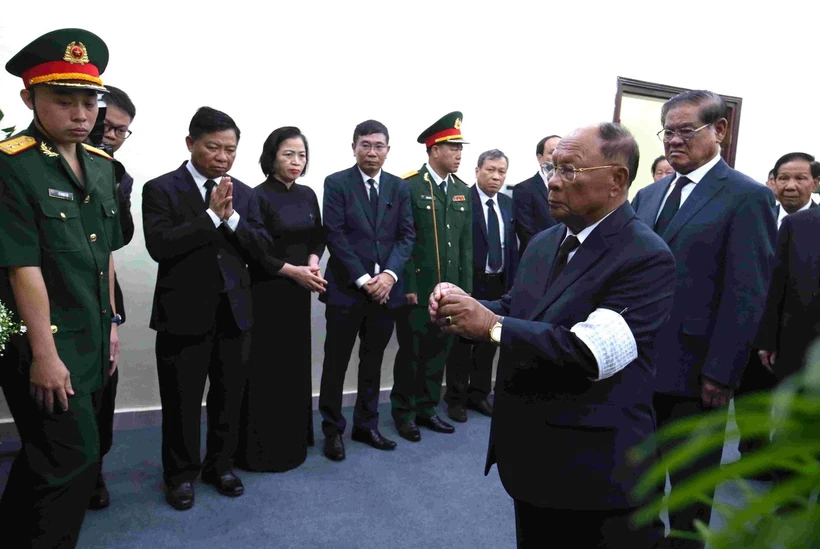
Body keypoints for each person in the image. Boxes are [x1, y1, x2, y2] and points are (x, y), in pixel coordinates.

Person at [430, 123, 676, 548]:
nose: (554, 183)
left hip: (595, 474)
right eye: (550, 168)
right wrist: (463, 309)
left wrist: (490, 326)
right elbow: (517, 307)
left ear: (617, 179)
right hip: (531, 460)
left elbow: (589, 353)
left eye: (569, 170)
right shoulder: (546, 241)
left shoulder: (646, 256)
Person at [631, 90, 776, 548]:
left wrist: (723, 371)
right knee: (639, 482)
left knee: (690, 489)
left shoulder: (746, 196)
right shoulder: (649, 195)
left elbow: (746, 292)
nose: (674, 141)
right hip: (637, 366)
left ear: (719, 130)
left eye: (685, 130)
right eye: (667, 132)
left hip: (698, 373)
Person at [0, 28, 124, 548]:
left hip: (92, 336)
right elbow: (20, 266)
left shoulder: (100, 165)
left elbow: (106, 254)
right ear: (29, 98)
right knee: (68, 460)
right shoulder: (12, 164)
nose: (81, 113)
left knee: (54, 458)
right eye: (63, 99)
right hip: (45, 344)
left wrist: (113, 322)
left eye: (89, 100)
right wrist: (45, 355)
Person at [143, 107, 271, 511]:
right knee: (181, 401)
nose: (222, 156)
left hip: (234, 313)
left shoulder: (245, 194)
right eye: (213, 147)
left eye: (230, 149)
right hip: (182, 314)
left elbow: (263, 249)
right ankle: (180, 476)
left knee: (229, 397)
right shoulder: (160, 188)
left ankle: (221, 466)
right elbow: (160, 246)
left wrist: (231, 218)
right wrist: (210, 216)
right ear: (190, 143)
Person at [317, 120, 414, 461]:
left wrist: (388, 276)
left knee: (372, 362)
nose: (372, 152)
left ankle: (366, 424)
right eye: (365, 145)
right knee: (336, 362)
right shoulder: (337, 183)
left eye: (378, 146)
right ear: (354, 146)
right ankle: (332, 430)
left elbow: (406, 237)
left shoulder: (398, 188)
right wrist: (363, 279)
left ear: (388, 149)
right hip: (347, 290)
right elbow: (335, 235)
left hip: (385, 292)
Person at [236, 126, 325, 472]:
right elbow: (255, 251)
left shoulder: (307, 194)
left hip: (298, 293)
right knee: (266, 370)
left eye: (301, 155)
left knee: (294, 366)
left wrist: (314, 262)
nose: (296, 161)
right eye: (288, 154)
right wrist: (294, 271)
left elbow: (318, 235)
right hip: (267, 291)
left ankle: (292, 444)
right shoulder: (256, 196)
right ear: (272, 156)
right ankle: (261, 450)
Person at [390, 111, 473, 442]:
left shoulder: (462, 190)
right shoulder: (409, 186)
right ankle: (404, 412)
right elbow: (403, 241)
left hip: (450, 291)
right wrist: (407, 286)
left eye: (460, 148)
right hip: (417, 291)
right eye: (453, 147)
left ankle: (427, 408)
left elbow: (465, 245)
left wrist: (465, 291)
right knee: (411, 354)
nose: (459, 154)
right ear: (434, 148)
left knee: (439, 353)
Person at [87, 84, 137, 510]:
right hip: (48, 301)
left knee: (105, 390)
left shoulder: (116, 174)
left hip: (104, 300)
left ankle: (94, 471)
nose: (111, 136)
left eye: (122, 131)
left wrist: (114, 318)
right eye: (108, 125)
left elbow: (116, 241)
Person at [444, 149, 519, 423]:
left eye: (501, 171)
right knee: (462, 343)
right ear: (477, 171)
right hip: (471, 283)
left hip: (498, 283)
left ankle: (478, 394)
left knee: (491, 340)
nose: (496, 176)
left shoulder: (509, 205)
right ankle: (455, 398)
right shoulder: (464, 200)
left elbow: (511, 246)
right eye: (490, 170)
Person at [512, 135, 560, 253]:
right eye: (552, 152)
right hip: (537, 257)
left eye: (562, 152)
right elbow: (526, 233)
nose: (557, 157)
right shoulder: (524, 189)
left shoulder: (570, 188)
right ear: (540, 158)